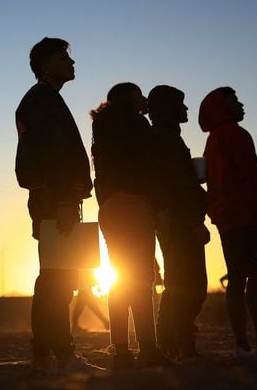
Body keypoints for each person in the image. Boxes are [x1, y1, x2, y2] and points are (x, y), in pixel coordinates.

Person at [14, 37, 103, 375]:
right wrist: (65, 200)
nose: (72, 62)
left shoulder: (45, 99)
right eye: (64, 57)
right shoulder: (42, 100)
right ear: (46, 65)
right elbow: (51, 156)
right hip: (55, 200)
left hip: (57, 199)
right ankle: (60, 356)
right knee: (57, 279)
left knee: (57, 278)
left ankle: (47, 355)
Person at [200, 86, 257, 358]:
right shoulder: (237, 135)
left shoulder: (212, 140)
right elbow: (251, 179)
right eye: (234, 101)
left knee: (237, 278)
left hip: (226, 221)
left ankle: (241, 344)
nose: (241, 105)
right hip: (250, 219)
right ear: (222, 107)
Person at [91, 82, 170, 371]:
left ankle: (122, 351)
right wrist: (159, 207)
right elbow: (150, 168)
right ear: (128, 98)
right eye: (140, 95)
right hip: (135, 203)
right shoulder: (136, 123)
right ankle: (148, 348)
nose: (145, 99)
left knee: (120, 281)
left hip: (110, 206)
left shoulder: (102, 126)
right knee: (140, 279)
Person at [147, 85, 209, 360]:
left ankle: (174, 341)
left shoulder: (163, 138)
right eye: (180, 104)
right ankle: (178, 341)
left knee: (179, 282)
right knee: (191, 285)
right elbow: (178, 186)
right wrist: (195, 220)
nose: (186, 110)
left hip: (174, 221)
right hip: (181, 222)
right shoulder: (167, 140)